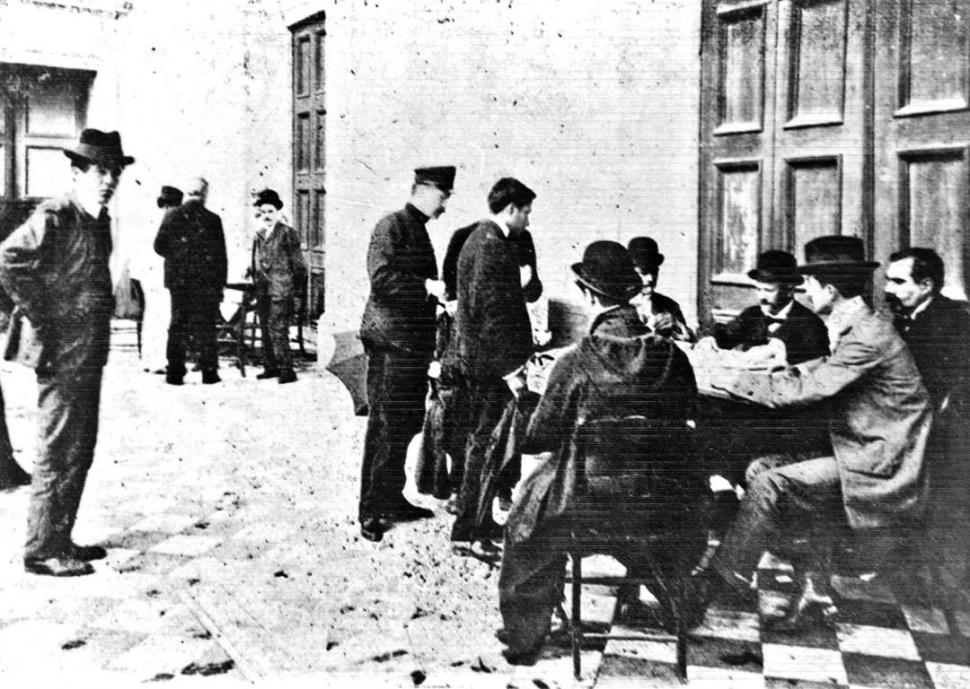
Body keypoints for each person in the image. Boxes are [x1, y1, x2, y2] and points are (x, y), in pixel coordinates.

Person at [701, 235, 932, 629]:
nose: (804, 292)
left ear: (829, 288)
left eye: (808, 284)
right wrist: (785, 372)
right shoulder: (860, 326)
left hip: (881, 463)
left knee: (771, 484)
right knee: (760, 469)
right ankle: (816, 590)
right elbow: (823, 368)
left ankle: (717, 583)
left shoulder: (866, 335)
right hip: (860, 449)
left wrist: (733, 378)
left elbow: (810, 390)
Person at [498, 241, 705, 664]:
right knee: (647, 511)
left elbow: (540, 438)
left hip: (589, 504)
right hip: (660, 502)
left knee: (527, 521)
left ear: (589, 295)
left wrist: (522, 395)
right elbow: (688, 417)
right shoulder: (673, 357)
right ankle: (675, 598)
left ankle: (524, 638)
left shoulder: (576, 361)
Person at [0, 128, 134, 576]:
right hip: (62, 354)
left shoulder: (95, 222)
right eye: (100, 170)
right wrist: (47, 317)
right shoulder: (57, 213)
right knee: (57, 450)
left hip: (87, 354)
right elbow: (9, 259)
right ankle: (41, 551)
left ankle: (61, 538)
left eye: (114, 171)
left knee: (79, 447)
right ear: (77, 173)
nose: (109, 179)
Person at [357, 165, 455, 542]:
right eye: (443, 197)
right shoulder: (391, 226)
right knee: (384, 426)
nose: (445, 205)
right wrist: (428, 287)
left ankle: (391, 498)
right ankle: (369, 510)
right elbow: (381, 279)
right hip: (390, 344)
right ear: (423, 189)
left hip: (411, 345)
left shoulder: (416, 230)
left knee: (404, 423)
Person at [884, 247, 970, 583]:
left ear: (926, 286)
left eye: (898, 281)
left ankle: (926, 570)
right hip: (910, 418)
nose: (889, 289)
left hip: (944, 431)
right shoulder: (904, 315)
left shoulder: (954, 322)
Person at [154, 176, 227, 385]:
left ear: (188, 193)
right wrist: (219, 284)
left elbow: (158, 246)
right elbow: (221, 257)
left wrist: (178, 258)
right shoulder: (213, 220)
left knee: (178, 324)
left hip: (179, 282)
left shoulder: (172, 216)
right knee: (206, 326)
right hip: (206, 283)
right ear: (205, 194)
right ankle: (209, 372)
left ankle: (175, 373)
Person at [713, 249, 829, 365]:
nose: (761, 297)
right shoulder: (752, 314)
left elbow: (817, 363)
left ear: (789, 289)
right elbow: (724, 338)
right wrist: (711, 340)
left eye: (768, 290)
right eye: (759, 289)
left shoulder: (811, 324)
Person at [250, 189, 306, 384]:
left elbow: (299, 265)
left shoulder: (288, 233)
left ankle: (287, 370)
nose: (267, 215)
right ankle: (270, 367)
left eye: (270, 211)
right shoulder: (259, 234)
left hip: (282, 290)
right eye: (263, 212)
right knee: (266, 326)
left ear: (278, 212)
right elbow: (256, 261)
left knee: (279, 328)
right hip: (263, 289)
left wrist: (294, 289)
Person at [133, 185, 182, 374]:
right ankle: (159, 360)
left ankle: (147, 359)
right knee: (162, 318)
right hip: (161, 276)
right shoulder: (170, 222)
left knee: (150, 317)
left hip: (147, 276)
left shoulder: (150, 220)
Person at [627, 236, 694, 341]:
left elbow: (689, 342)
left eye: (654, 272)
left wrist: (676, 325)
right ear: (630, 273)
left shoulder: (669, 306)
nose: (650, 279)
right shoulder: (618, 303)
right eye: (644, 273)